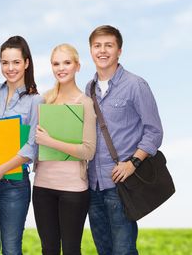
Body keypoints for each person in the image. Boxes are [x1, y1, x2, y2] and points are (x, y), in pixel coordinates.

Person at [85, 25, 163, 255]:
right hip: (93, 185)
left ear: (119, 50)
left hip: (121, 185)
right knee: (104, 250)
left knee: (124, 250)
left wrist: (133, 163)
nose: (102, 51)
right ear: (90, 50)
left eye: (108, 45)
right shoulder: (88, 89)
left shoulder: (135, 85)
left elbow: (154, 132)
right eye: (97, 46)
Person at [0, 35, 43, 255]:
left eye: (15, 62)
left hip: (14, 185)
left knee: (12, 249)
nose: (10, 68)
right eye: (5, 62)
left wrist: (1, 170)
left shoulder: (36, 101)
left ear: (26, 63)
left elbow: (32, 146)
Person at [33, 43, 96, 255]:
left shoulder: (85, 103)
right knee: (48, 249)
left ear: (77, 66)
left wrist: (50, 141)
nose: (61, 68)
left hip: (73, 189)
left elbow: (88, 151)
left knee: (70, 250)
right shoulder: (45, 100)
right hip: (42, 187)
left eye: (67, 63)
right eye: (56, 63)